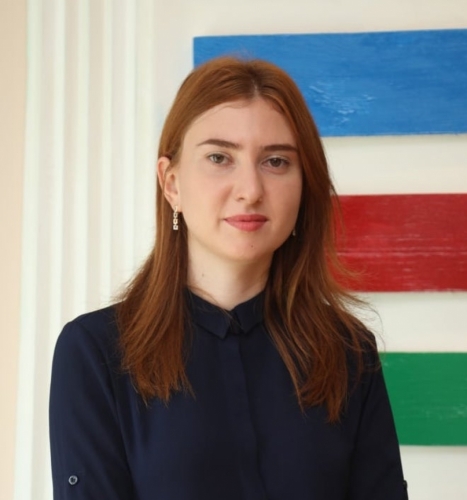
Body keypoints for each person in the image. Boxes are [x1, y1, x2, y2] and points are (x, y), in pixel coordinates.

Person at [49, 56, 408, 500]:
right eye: (219, 157)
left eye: (275, 161)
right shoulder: (95, 353)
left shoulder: (349, 352)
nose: (250, 190)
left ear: (304, 185)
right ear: (171, 183)